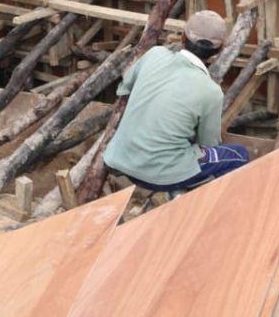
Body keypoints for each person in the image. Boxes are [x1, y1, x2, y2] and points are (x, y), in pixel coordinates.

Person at [103, 11, 250, 194]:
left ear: (182, 37)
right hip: (158, 176)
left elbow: (124, 89)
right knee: (238, 155)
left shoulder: (155, 54)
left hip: (120, 159)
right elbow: (208, 144)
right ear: (220, 49)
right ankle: (213, 207)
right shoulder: (211, 92)